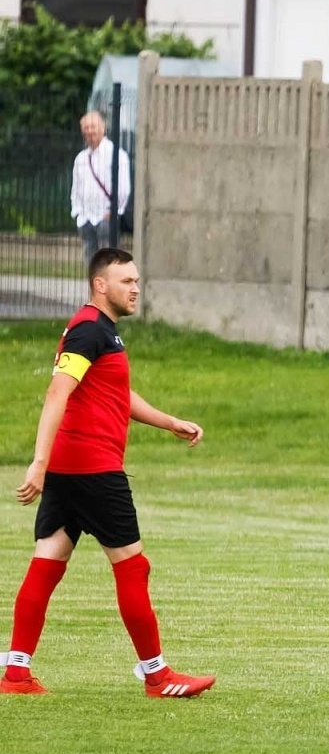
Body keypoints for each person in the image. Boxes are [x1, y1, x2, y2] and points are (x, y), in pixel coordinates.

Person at [1, 248, 214, 698]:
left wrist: (169, 422)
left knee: (46, 565)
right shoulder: (89, 330)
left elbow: (116, 393)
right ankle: (157, 676)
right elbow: (57, 393)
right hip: (94, 470)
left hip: (70, 470)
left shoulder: (101, 332)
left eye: (136, 280)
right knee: (134, 568)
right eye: (126, 281)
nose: (135, 288)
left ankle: (16, 673)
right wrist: (37, 463)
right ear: (101, 285)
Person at [70, 111, 131, 269]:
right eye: (86, 127)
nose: (90, 131)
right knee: (91, 264)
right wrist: (77, 213)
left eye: (93, 126)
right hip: (86, 218)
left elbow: (124, 188)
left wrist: (114, 211)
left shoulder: (117, 155)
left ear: (103, 128)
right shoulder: (81, 158)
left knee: (109, 262)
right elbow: (76, 188)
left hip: (107, 217)